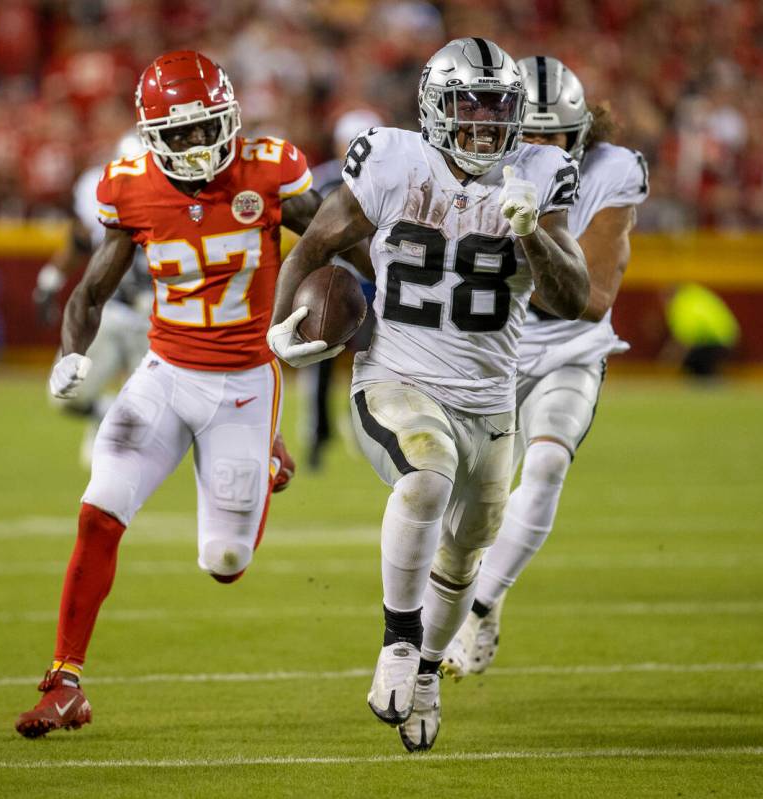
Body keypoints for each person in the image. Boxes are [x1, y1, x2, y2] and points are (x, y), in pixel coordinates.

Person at [266, 38, 589, 752]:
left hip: (489, 398)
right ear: (433, 110)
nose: (480, 123)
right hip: (396, 377)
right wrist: (279, 331)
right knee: (426, 475)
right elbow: (312, 248)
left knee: (467, 551)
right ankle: (398, 641)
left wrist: (532, 232)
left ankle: (430, 670)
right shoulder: (390, 160)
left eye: (496, 108)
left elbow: (572, 298)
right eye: (465, 107)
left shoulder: (542, 170)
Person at [15, 50, 327, 738]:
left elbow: (336, 239)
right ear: (152, 133)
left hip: (244, 385)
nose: (193, 143)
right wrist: (72, 352)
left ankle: (263, 458)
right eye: (177, 132)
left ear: (230, 116)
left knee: (224, 563)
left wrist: (341, 312)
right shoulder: (130, 186)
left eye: (203, 127)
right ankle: (65, 679)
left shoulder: (268, 170)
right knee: (100, 506)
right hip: (164, 374)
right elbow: (93, 287)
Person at [443, 57, 649, 678]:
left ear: (580, 137)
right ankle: (457, 597)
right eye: (526, 134)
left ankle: (481, 604)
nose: (537, 150)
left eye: (552, 137)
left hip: (565, 349)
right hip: (485, 348)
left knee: (549, 460)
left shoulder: (613, 173)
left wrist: (510, 258)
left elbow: (591, 300)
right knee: (458, 502)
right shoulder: (466, 163)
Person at [33, 131, 152, 468]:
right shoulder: (100, 190)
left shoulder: (183, 196)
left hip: (158, 321)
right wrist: (49, 281)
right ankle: (105, 412)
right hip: (112, 312)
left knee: (153, 422)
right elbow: (81, 240)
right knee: (64, 395)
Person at [302, 109, 382, 470]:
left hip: (368, 281)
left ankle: (364, 429)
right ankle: (320, 434)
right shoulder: (322, 180)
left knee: (369, 361)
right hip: (334, 281)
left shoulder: (384, 178)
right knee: (322, 360)